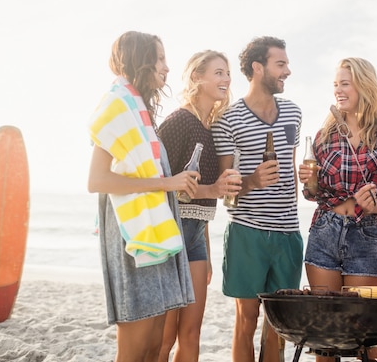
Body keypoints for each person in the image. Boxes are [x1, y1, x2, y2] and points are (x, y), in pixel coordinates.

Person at [87, 31, 198, 362]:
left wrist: (178, 185)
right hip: (133, 240)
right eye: (160, 58)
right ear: (141, 60)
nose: (166, 67)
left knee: (153, 346)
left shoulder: (140, 113)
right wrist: (169, 184)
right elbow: (97, 180)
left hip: (153, 238)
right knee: (136, 348)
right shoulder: (117, 107)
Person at [298, 57, 377, 362]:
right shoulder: (324, 136)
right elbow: (314, 194)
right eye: (335, 85)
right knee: (324, 337)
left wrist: (374, 205)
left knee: (365, 335)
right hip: (324, 232)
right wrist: (309, 182)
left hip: (367, 234)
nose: (338, 90)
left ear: (364, 85)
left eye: (344, 84)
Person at [212, 36, 303, 362]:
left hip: (288, 232)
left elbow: (291, 168)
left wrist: (309, 186)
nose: (288, 71)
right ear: (257, 67)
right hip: (247, 231)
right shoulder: (228, 120)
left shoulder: (293, 113)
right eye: (281, 64)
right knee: (246, 319)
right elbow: (225, 185)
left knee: (278, 324)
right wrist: (251, 181)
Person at [157, 50, 241, 362]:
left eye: (227, 73)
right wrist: (214, 188)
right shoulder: (178, 122)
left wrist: (203, 247)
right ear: (197, 77)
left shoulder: (209, 127)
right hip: (171, 234)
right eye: (218, 72)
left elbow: (200, 202)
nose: (226, 79)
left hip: (196, 238)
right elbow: (163, 188)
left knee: (192, 332)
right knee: (164, 338)